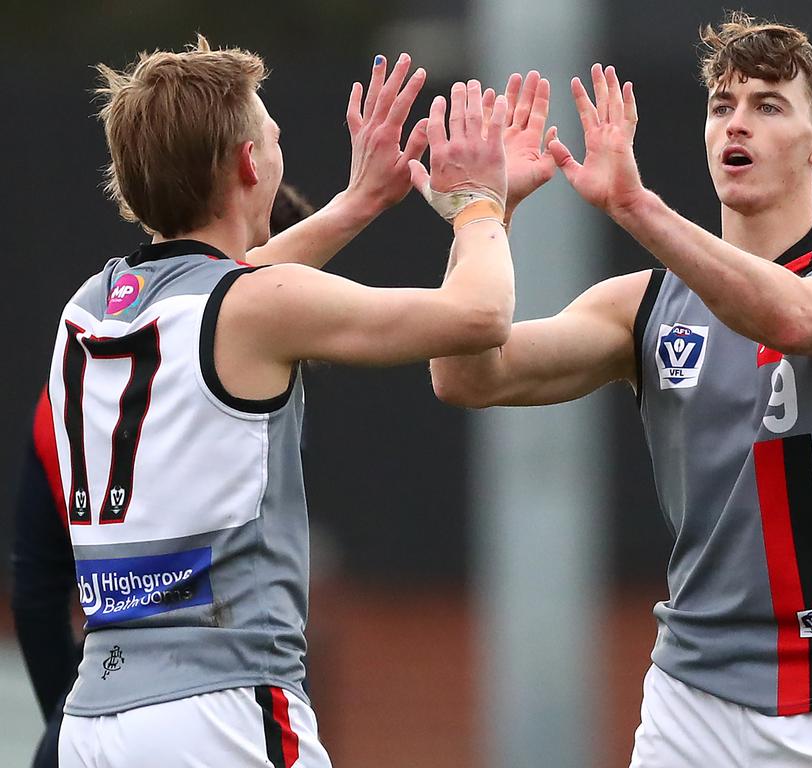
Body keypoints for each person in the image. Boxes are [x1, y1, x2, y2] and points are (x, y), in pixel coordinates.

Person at [431, 12, 812, 766]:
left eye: (769, 105)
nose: (739, 124)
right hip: (693, 700)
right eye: (722, 106)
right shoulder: (642, 305)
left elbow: (795, 318)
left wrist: (636, 207)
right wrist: (485, 210)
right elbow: (466, 374)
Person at [48, 36, 514, 767]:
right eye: (272, 137)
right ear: (248, 164)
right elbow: (482, 314)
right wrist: (480, 205)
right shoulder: (249, 306)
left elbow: (226, 287)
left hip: (95, 717)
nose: (277, 150)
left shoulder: (90, 307)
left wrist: (357, 203)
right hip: (219, 709)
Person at [12, 182, 316, 768]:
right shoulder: (233, 363)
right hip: (213, 698)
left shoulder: (83, 353)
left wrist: (68, 721)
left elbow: (34, 579)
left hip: (98, 714)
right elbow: (473, 317)